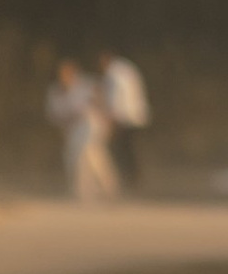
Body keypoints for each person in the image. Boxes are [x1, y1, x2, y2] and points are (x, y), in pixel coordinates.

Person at [46, 58, 119, 203]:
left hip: (91, 124)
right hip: (72, 129)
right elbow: (55, 116)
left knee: (85, 155)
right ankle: (94, 190)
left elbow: (101, 101)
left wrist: (107, 121)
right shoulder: (55, 92)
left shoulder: (86, 85)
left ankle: (95, 191)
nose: (64, 77)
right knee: (77, 158)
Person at [100, 51, 150, 191]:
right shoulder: (127, 68)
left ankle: (131, 179)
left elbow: (115, 98)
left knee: (123, 150)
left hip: (125, 118)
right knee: (130, 149)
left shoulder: (114, 74)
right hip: (137, 115)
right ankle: (134, 178)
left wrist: (112, 118)